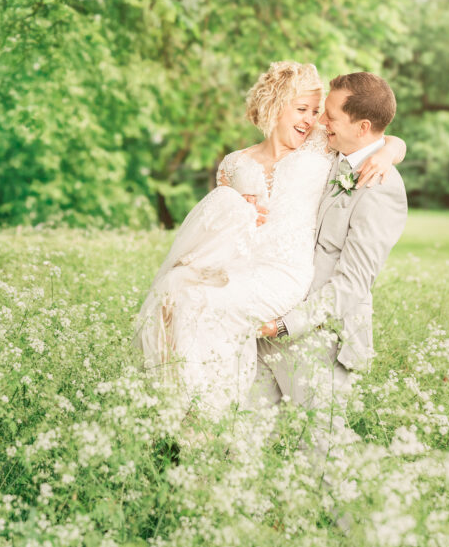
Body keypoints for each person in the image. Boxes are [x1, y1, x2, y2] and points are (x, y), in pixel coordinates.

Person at [134, 62, 406, 420]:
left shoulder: (322, 149)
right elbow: (220, 227)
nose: (317, 121)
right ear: (276, 107)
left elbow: (378, 136)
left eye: (320, 112)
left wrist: (388, 152)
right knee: (174, 289)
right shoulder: (236, 164)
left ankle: (201, 413)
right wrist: (234, 206)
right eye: (306, 110)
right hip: (245, 267)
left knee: (202, 305)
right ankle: (181, 406)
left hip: (288, 277)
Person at [251, 71, 409, 461]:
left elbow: (352, 284)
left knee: (323, 455)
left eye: (331, 116)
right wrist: (390, 146)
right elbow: (391, 138)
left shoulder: (382, 189)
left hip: (320, 342)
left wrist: (284, 326)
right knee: (244, 434)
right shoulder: (331, 151)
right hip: (269, 327)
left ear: (362, 126)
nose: (321, 123)